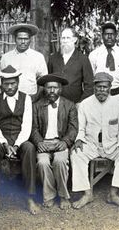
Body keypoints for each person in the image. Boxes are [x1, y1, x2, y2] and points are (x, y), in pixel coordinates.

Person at [71, 72, 119, 209]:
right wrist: (79, 139)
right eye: (99, 87)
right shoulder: (85, 104)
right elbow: (80, 128)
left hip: (112, 144)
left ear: (110, 87)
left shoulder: (118, 104)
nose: (102, 90)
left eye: (105, 87)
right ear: (94, 87)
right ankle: (87, 193)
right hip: (91, 144)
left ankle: (113, 194)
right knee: (76, 153)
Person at [0, 65, 39, 215]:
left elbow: (27, 126)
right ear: (1, 84)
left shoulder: (26, 98)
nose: (9, 87)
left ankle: (29, 197)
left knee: (29, 148)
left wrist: (15, 145)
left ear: (18, 82)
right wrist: (4, 143)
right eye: (6, 84)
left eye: (13, 83)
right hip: (1, 138)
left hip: (20, 139)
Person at [30, 74, 78, 209]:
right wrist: (39, 142)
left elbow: (73, 128)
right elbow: (33, 128)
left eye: (55, 88)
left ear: (60, 89)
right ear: (44, 89)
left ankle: (63, 196)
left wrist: (65, 142)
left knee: (60, 161)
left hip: (60, 142)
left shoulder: (69, 105)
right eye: (48, 87)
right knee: (43, 162)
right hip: (44, 143)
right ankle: (49, 195)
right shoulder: (36, 106)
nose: (52, 91)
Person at [1, 23, 47, 102]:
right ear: (15, 39)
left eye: (26, 39)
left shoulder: (38, 57)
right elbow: (2, 80)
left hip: (32, 97)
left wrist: (35, 97)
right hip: (11, 99)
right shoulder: (6, 57)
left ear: (30, 39)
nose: (23, 41)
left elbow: (43, 80)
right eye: (20, 38)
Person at [47, 28, 94, 103]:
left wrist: (81, 103)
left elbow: (90, 86)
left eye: (68, 38)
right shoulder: (53, 58)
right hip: (55, 104)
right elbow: (48, 81)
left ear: (75, 40)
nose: (65, 41)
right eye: (63, 38)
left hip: (75, 104)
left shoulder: (83, 59)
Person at [89, 22, 119, 104]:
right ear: (102, 36)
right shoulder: (94, 55)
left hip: (118, 98)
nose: (109, 37)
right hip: (99, 98)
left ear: (116, 35)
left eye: (112, 34)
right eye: (106, 34)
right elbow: (90, 80)